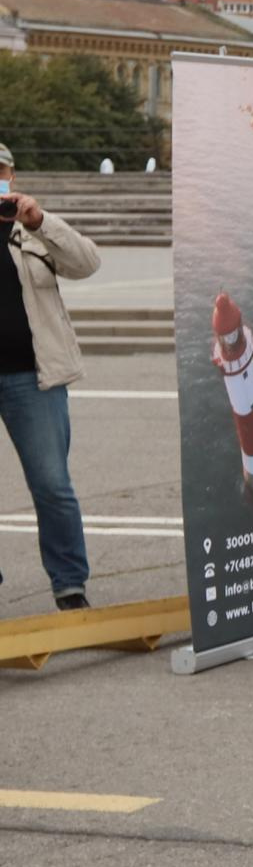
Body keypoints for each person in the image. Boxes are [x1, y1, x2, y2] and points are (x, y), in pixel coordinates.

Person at [0, 142, 98, 611]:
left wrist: (40, 221)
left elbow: (87, 263)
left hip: (31, 378)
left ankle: (69, 585)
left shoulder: (33, 232)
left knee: (52, 484)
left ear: (11, 178)